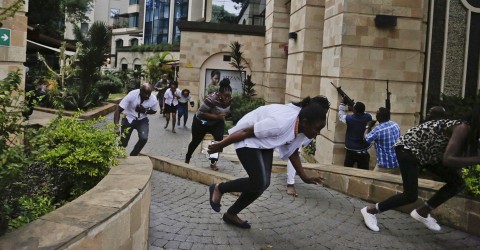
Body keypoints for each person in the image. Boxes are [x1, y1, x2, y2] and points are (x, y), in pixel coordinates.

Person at [207, 96, 330, 229]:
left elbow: (292, 151)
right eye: (316, 129)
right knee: (258, 181)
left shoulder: (301, 126)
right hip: (247, 138)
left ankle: (231, 214)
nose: (317, 133)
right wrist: (221, 145)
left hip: (264, 142)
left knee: (263, 184)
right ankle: (219, 188)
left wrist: (304, 177)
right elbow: (245, 131)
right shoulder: (281, 123)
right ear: (306, 122)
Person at [360, 105, 480, 232]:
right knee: (410, 195)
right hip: (408, 150)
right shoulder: (463, 128)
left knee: (457, 183)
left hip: (427, 154)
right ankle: (370, 211)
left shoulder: (470, 132)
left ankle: (423, 212)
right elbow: (448, 159)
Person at [185, 79, 232, 171]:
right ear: (220, 93)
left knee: (218, 141)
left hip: (216, 123)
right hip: (201, 122)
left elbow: (228, 111)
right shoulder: (211, 99)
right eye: (225, 96)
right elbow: (201, 112)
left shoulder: (229, 100)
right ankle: (187, 157)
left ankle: (213, 162)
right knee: (196, 141)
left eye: (229, 96)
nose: (227, 98)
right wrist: (216, 116)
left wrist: (226, 116)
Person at [113, 83, 158, 156]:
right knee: (124, 142)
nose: (147, 96)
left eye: (148, 94)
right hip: (128, 118)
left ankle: (133, 155)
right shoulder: (132, 95)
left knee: (144, 138)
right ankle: (118, 157)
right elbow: (118, 110)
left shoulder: (153, 99)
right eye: (145, 93)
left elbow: (154, 111)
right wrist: (116, 126)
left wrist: (144, 111)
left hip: (142, 120)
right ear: (140, 91)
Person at [364, 107, 401, 175]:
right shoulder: (395, 125)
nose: (376, 115)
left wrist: (368, 126)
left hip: (385, 166)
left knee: (372, 182)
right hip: (397, 163)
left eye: (377, 113)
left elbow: (366, 139)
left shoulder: (378, 129)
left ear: (380, 116)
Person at [338, 100, 373, 170]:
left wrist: (342, 104)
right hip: (363, 150)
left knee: (347, 171)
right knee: (364, 173)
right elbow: (365, 113)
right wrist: (354, 109)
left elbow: (341, 116)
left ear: (355, 110)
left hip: (351, 151)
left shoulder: (349, 118)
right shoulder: (368, 117)